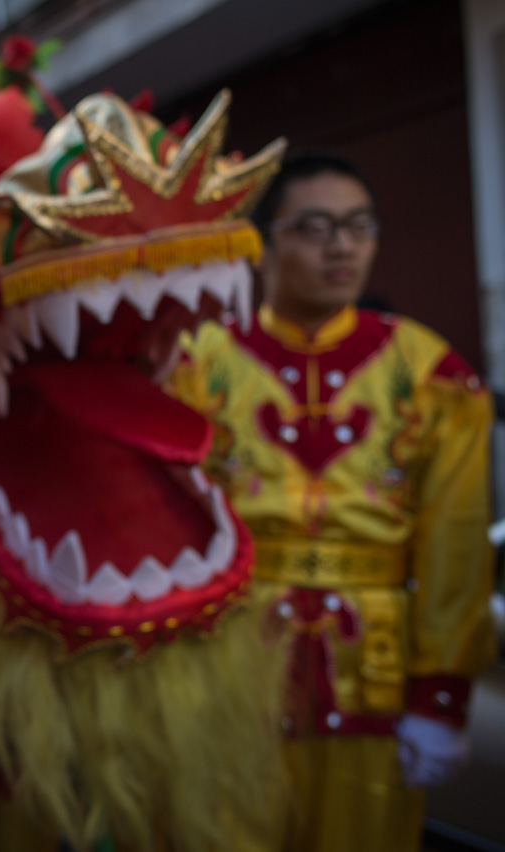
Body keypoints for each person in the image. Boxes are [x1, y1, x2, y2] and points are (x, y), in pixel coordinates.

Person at [172, 150, 498, 851]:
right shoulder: (196, 367)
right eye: (315, 226)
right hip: (232, 670)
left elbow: (457, 542)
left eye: (358, 225)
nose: (342, 244)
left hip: (374, 672)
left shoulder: (430, 372)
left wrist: (443, 694)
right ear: (263, 244)